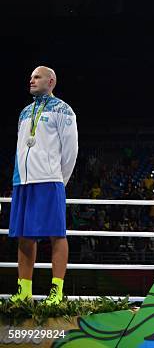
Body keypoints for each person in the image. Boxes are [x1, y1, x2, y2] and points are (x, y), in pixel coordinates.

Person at [9, 66, 78, 305]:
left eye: (36, 77)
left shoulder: (63, 110)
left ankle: (56, 292)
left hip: (49, 180)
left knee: (56, 235)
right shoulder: (24, 112)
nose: (31, 80)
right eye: (30, 77)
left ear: (51, 82)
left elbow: (71, 151)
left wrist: (59, 178)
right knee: (24, 236)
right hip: (23, 181)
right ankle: (24, 291)